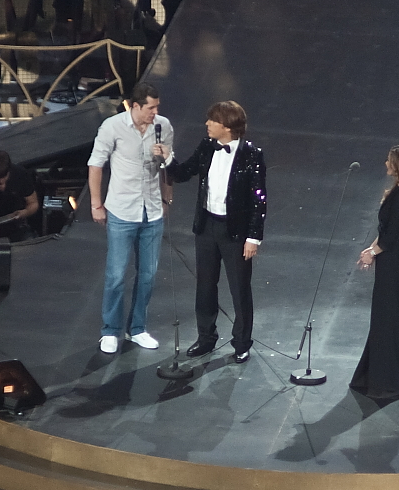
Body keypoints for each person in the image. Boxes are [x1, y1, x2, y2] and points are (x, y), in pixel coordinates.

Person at [156, 100, 266, 364]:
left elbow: (259, 199)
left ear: (226, 126)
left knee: (239, 289)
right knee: (205, 285)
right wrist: (168, 158)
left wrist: (253, 238)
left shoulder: (252, 155)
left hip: (235, 232)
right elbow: (183, 173)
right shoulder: (207, 146)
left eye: (212, 120)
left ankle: (242, 343)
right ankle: (206, 338)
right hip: (206, 226)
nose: (206, 124)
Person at [87, 82, 174, 354]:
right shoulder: (113, 127)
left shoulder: (163, 126)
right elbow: (95, 165)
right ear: (136, 106)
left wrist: (166, 198)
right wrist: (96, 204)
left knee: (148, 274)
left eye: (157, 107)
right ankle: (110, 330)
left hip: (152, 211)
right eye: (151, 108)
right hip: (122, 210)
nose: (155, 112)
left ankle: (137, 328)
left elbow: (168, 168)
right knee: (116, 274)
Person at [350, 145, 399, 402]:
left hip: (395, 262)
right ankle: (373, 376)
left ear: (398, 165)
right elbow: (386, 229)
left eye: (389, 161)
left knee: (391, 317)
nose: (385, 164)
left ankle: (387, 382)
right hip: (389, 257)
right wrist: (370, 248)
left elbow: (394, 235)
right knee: (382, 317)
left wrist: (372, 252)